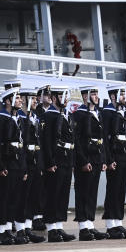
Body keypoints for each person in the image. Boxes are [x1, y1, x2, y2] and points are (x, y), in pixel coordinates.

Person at [41, 85, 76, 242]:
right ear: (54, 98)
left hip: (66, 159)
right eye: (62, 96)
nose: (65, 99)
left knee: (63, 195)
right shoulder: (49, 116)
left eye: (66, 96)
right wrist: (50, 162)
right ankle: (51, 229)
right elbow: (46, 141)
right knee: (53, 195)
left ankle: (59, 226)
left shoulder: (65, 115)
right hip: (56, 160)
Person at [73, 85, 106, 240]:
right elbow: (77, 141)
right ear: (85, 96)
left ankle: (90, 224)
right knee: (83, 193)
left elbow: (102, 138)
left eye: (97, 93)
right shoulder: (79, 115)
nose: (96, 96)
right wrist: (83, 161)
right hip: (86, 159)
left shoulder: (97, 113)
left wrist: (103, 159)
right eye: (93, 93)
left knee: (92, 193)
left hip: (96, 157)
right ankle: (82, 227)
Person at [100, 84, 126, 239]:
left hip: (124, 156)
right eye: (121, 94)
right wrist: (109, 159)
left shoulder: (123, 111)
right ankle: (110, 224)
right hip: (115, 156)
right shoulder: (107, 113)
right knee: (113, 190)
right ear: (113, 96)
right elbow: (105, 138)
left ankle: (118, 222)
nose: (124, 97)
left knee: (121, 190)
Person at [0, 87, 21, 245]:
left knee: (12, 197)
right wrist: (1, 166)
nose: (20, 101)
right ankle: (0, 230)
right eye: (17, 98)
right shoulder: (1, 118)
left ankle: (8, 228)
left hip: (15, 163)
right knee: (4, 197)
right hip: (7, 163)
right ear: (8, 101)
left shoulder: (15, 117)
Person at [16, 87, 45, 244]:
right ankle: (20, 228)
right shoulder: (20, 117)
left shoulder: (34, 117)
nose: (36, 101)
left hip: (35, 161)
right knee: (23, 198)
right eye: (33, 99)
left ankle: (27, 228)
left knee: (33, 197)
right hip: (24, 161)